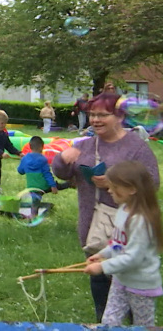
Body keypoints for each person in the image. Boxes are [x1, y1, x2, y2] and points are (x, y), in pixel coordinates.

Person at [52, 92, 160, 322]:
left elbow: (152, 182)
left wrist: (113, 179)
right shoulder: (86, 144)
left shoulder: (136, 147)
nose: (95, 120)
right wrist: (62, 159)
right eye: (91, 115)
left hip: (128, 224)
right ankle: (106, 322)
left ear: (120, 116)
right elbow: (62, 173)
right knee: (102, 288)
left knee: (130, 287)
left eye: (102, 115)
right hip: (94, 223)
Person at [84, 161, 163, 326]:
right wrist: (102, 254)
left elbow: (133, 257)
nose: (109, 190)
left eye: (114, 187)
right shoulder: (123, 210)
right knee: (109, 322)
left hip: (141, 285)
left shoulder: (141, 220)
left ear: (132, 189)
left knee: (143, 326)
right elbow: (117, 243)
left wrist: (102, 267)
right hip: (121, 279)